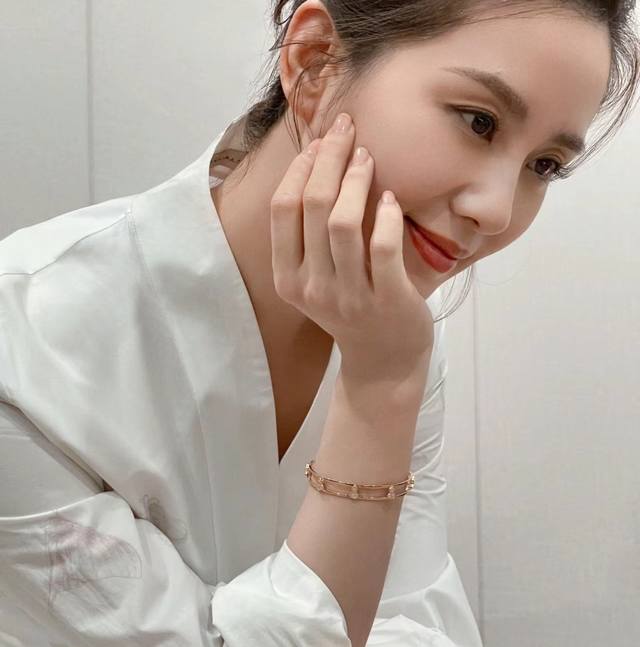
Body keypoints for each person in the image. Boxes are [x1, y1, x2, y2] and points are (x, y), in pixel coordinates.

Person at [0, 1, 637, 645]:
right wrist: (380, 392)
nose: (497, 211)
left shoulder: (388, 330)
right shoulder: (21, 342)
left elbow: (418, 623)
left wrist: (385, 378)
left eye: (544, 165)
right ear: (316, 63)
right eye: (480, 122)